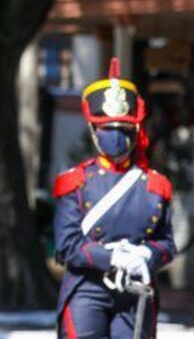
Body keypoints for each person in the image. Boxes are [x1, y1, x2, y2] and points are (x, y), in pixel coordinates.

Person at [53, 58, 176, 338]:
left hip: (136, 292)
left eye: (123, 129)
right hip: (86, 290)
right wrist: (112, 258)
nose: (116, 136)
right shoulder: (76, 182)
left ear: (135, 132)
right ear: (94, 132)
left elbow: (168, 243)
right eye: (107, 129)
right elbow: (67, 245)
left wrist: (147, 254)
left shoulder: (156, 185)